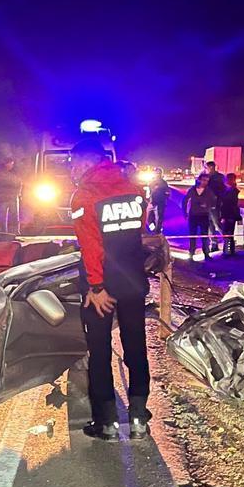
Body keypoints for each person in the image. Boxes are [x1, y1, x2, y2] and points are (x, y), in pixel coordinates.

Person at [69, 139, 151, 441]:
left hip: (102, 285)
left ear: (84, 162)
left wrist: (96, 286)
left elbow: (91, 247)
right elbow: (138, 229)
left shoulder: (84, 196)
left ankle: (106, 422)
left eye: (73, 164)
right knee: (135, 346)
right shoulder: (134, 189)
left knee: (100, 351)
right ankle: (140, 416)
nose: (71, 170)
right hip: (132, 279)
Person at [182, 173, 218, 260]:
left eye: (207, 181)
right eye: (204, 180)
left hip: (204, 215)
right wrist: (185, 213)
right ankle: (191, 254)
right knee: (192, 236)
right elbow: (185, 201)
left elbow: (214, 202)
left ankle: (206, 253)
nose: (205, 182)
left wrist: (207, 205)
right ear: (199, 180)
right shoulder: (192, 190)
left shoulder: (208, 191)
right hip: (193, 215)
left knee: (204, 236)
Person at [0, 159, 22, 234]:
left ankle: (15, 231)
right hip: (4, 197)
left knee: (15, 215)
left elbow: (19, 183)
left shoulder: (15, 173)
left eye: (12, 164)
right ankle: (4, 231)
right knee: (3, 216)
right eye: (9, 164)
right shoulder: (1, 173)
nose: (10, 165)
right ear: (6, 164)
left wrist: (18, 193)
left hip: (13, 197)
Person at [204, 161, 226, 250]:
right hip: (207, 205)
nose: (207, 170)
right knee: (209, 225)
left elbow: (222, 190)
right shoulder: (206, 177)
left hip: (215, 205)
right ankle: (214, 244)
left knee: (217, 223)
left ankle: (227, 241)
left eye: (207, 168)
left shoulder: (219, 177)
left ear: (211, 167)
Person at [220, 173, 241, 256]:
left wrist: (224, 216)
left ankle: (228, 251)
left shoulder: (231, 191)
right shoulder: (230, 190)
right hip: (230, 214)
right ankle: (229, 251)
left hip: (229, 214)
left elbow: (228, 205)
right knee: (229, 233)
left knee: (228, 233)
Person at [147, 167, 171, 234]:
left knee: (159, 219)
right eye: (155, 173)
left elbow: (167, 192)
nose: (157, 174)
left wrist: (163, 198)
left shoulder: (163, 183)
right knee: (149, 218)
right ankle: (153, 229)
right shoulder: (151, 182)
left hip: (160, 203)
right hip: (151, 202)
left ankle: (157, 232)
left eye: (158, 173)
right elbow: (149, 191)